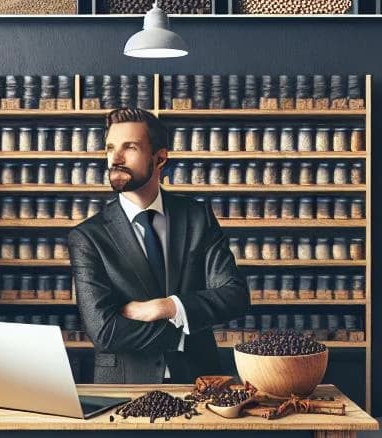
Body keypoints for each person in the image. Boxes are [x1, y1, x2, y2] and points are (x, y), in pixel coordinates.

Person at [68, 107, 249, 384]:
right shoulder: (87, 237)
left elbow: (235, 296)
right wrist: (183, 333)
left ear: (160, 158)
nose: (115, 158)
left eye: (129, 147)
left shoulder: (197, 217)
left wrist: (168, 307)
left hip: (198, 382)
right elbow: (104, 331)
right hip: (125, 387)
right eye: (110, 148)